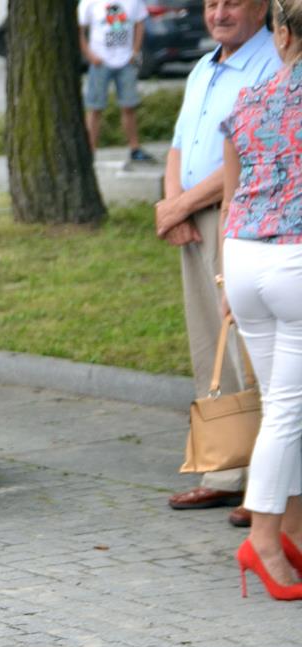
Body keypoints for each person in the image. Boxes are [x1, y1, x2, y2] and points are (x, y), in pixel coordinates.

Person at [156, 0, 280, 525]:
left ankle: (266, 485)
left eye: (232, 2)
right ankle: (224, 470)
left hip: (238, 219)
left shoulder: (273, 63)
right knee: (208, 342)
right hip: (191, 218)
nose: (219, 14)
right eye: (211, 4)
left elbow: (249, 155)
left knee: (251, 350)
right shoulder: (204, 68)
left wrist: (181, 204)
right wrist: (172, 206)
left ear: (261, 8)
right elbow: (178, 146)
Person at [220, 0, 302, 599]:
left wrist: (225, 280)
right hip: (293, 260)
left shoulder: (247, 97)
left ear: (281, 34)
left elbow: (232, 192)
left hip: (242, 256)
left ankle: (291, 530)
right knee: (287, 411)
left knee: (284, 406)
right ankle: (264, 539)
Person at [77, 0, 155, 162]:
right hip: (100, 61)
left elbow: (140, 24)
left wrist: (135, 51)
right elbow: (79, 29)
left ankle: (135, 148)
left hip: (125, 61)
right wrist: (89, 55)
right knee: (95, 108)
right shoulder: (90, 2)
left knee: (129, 106)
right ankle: (90, 151)